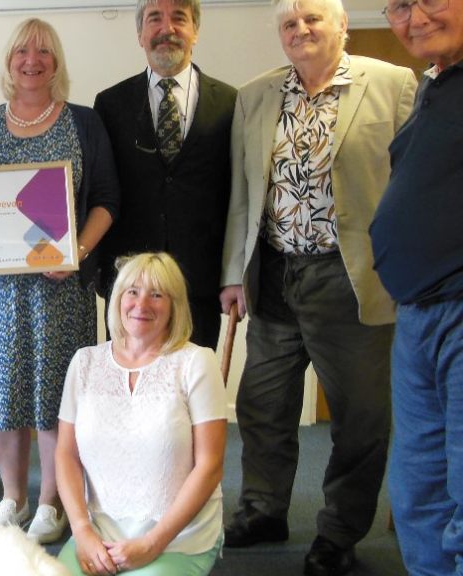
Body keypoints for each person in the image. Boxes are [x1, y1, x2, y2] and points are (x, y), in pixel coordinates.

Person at [218, 0, 417, 574]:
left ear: (342, 26)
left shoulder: (393, 84)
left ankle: (338, 532)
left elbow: (412, 182)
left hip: (350, 278)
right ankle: (262, 509)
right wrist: (234, 273)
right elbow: (244, 192)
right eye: (289, 23)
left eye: (313, 19)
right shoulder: (256, 95)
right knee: (262, 405)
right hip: (276, 275)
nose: (300, 30)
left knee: (359, 416)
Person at [0, 18, 119, 544]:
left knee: (54, 396)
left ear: (57, 61)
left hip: (59, 287)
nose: (32, 59)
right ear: (8, 60)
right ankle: (12, 497)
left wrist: (79, 252)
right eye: (22, 50)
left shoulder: (84, 123)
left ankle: (51, 502)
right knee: (4, 394)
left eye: (44, 51)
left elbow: (106, 200)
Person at [56, 253, 226, 576]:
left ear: (175, 306)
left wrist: (153, 544)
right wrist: (81, 531)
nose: (141, 303)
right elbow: (66, 454)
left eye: (157, 294)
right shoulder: (84, 362)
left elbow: (210, 466)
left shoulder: (197, 363)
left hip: (177, 539)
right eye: (132, 291)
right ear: (118, 298)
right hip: (98, 536)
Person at [370, 0, 463, 573]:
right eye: (401, 6)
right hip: (418, 314)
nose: (416, 16)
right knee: (416, 491)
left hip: (458, 310)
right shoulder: (435, 86)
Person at [93, 0, 236, 349]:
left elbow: (237, 194)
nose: (167, 29)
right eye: (155, 19)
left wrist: (234, 275)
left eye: (179, 19)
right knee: (132, 390)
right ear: (141, 34)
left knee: (192, 391)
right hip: (130, 285)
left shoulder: (231, 103)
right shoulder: (110, 104)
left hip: (199, 283)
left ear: (195, 31)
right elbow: (101, 190)